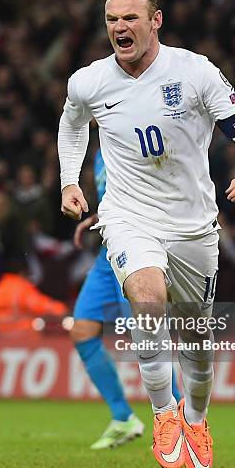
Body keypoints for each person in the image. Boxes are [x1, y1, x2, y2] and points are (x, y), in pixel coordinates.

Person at [58, 0, 235, 468]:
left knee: (196, 346)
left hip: (193, 224)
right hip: (129, 216)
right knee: (147, 301)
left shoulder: (194, 72)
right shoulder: (89, 81)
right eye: (112, 19)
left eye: (131, 17)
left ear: (156, 21)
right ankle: (162, 412)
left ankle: (195, 419)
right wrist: (68, 181)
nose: (120, 28)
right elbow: (72, 125)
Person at [70, 148, 181, 450]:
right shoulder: (99, 150)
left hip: (138, 248)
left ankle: (183, 418)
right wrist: (97, 216)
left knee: (146, 336)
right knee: (82, 331)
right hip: (109, 250)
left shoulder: (133, 133)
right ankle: (123, 417)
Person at [0, 258, 68, 339]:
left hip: (1, 335)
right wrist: (61, 309)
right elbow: (38, 304)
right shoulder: (21, 287)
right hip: (24, 336)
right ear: (22, 272)